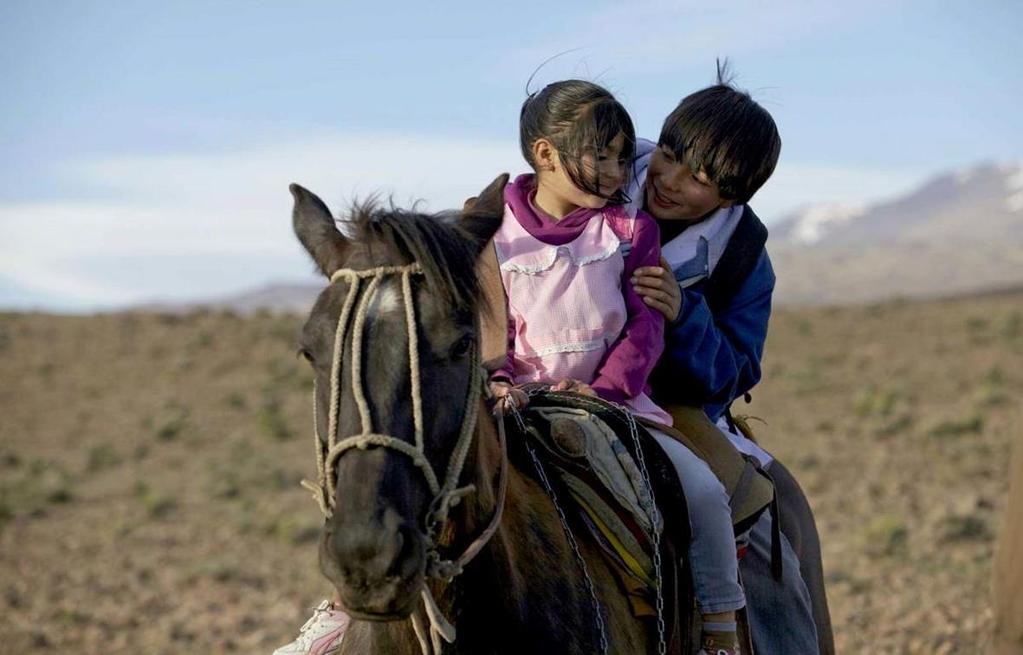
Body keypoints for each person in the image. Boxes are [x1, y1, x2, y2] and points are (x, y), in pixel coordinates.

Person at [487, 79, 745, 655]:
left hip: (615, 404)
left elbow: (643, 327)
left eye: (621, 157)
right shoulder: (494, 238)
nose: (613, 172)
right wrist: (500, 379)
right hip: (520, 403)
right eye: (597, 155)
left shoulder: (631, 231)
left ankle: (720, 626)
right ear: (545, 154)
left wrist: (609, 392)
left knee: (702, 490)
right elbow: (491, 324)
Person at [628, 63, 822, 654]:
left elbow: (736, 371)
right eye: (668, 153)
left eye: (700, 177)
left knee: (766, 517)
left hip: (669, 409)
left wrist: (685, 316)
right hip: (539, 378)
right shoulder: (599, 169)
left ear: (731, 195)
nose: (670, 179)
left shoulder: (743, 259)